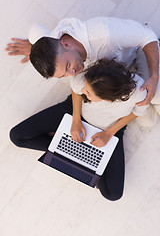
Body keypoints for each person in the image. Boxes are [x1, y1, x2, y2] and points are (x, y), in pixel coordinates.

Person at [10, 58, 150, 200]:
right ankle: (67, 148)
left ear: (107, 100)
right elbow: (76, 91)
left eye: (88, 93)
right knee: (17, 136)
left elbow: (137, 112)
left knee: (112, 194)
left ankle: (79, 153)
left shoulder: (139, 93)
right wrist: (76, 121)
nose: (83, 90)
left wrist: (109, 133)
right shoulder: (88, 75)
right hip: (75, 111)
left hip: (110, 128)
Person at [5, 17, 159, 106]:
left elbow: (147, 37)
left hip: (136, 51)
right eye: (63, 74)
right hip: (108, 70)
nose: (72, 72)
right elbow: (36, 29)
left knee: (154, 96)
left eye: (68, 66)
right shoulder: (52, 41)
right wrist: (34, 49)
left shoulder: (105, 35)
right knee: (77, 86)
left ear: (65, 43)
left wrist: (154, 76)